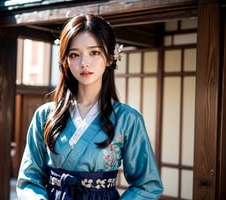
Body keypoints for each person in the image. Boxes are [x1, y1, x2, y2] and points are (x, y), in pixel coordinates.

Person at [16, 13, 163, 200]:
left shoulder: (128, 119)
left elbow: (146, 185)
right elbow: (29, 179)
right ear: (66, 61)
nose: (84, 62)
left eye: (94, 52)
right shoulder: (44, 115)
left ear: (110, 58)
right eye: (74, 54)